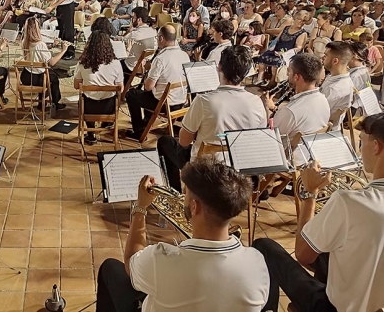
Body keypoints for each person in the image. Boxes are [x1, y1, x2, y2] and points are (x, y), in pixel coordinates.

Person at [96, 159, 269, 312]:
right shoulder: (257, 262)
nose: (181, 198)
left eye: (185, 194)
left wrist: (140, 208)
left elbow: (131, 261)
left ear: (194, 207)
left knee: (110, 268)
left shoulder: (161, 259)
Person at [254, 113, 384, 312]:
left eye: (361, 142)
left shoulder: (348, 202)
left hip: (332, 308)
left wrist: (310, 194)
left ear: (376, 147)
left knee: (263, 246)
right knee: (330, 249)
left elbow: (303, 254)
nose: (360, 150)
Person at [158, 46, 267, 190]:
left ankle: (176, 194)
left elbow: (184, 141)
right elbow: (258, 139)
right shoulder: (257, 102)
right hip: (239, 169)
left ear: (219, 67)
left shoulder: (204, 100)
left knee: (165, 142)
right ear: (246, 72)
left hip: (205, 168)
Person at [125, 25, 189, 141]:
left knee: (131, 94)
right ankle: (147, 120)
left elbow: (148, 87)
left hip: (164, 104)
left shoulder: (161, 58)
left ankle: (139, 131)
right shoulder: (185, 56)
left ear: (161, 39)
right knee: (150, 92)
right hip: (181, 102)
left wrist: (148, 72)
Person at [261, 53, 330, 139]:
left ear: (296, 77)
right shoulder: (323, 100)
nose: (287, 75)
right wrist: (274, 109)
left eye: (289, 71)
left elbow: (270, 137)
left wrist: (267, 110)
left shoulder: (289, 111)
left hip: (287, 151)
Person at [74, 32, 123, 145]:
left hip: (89, 107)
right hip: (109, 107)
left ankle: (91, 135)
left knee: (82, 99)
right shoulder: (116, 64)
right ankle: (107, 123)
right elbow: (120, 89)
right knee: (114, 97)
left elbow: (77, 86)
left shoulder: (82, 63)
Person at [20, 17, 67, 108]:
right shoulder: (40, 44)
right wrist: (63, 51)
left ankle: (41, 102)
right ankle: (55, 103)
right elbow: (52, 63)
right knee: (54, 77)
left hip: (26, 76)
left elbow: (36, 50)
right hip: (37, 78)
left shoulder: (24, 42)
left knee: (49, 74)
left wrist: (52, 45)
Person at [255, 11, 309, 89]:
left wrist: (283, 53)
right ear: (294, 18)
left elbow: (298, 48)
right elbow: (277, 39)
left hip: (289, 54)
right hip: (277, 50)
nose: (301, 22)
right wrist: (272, 46)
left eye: (304, 21)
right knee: (263, 56)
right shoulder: (286, 28)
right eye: (299, 19)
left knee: (277, 62)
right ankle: (260, 79)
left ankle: (272, 82)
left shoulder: (302, 33)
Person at [320, 41, 354, 130]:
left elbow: (317, 113)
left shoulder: (335, 89)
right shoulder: (338, 76)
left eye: (326, 55)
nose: (323, 58)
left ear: (335, 61)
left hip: (322, 129)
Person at [121, 7, 157, 86]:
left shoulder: (135, 34)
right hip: (145, 65)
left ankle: (120, 88)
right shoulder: (153, 31)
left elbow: (121, 41)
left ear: (139, 20)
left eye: (133, 18)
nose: (132, 20)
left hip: (132, 66)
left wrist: (128, 31)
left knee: (116, 63)